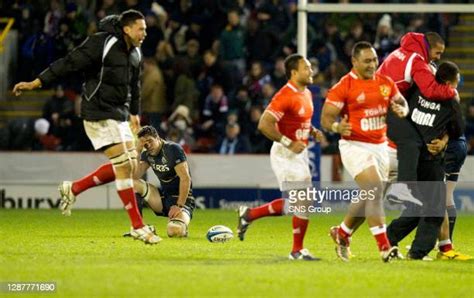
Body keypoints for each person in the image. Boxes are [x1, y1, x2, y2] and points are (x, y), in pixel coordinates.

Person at [12, 10, 160, 244]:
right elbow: (69, 63)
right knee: (123, 166)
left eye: (145, 29)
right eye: (141, 29)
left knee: (131, 166)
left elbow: (135, 86)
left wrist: (134, 114)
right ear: (127, 29)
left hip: (120, 114)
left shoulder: (136, 52)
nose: (145, 33)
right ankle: (137, 226)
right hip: (97, 111)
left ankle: (74, 188)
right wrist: (36, 82)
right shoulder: (101, 43)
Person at [321, 42, 409, 262]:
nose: (373, 65)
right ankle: (384, 247)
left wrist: (402, 109)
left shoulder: (385, 82)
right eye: (367, 61)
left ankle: (342, 233)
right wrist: (335, 128)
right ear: (354, 61)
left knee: (370, 195)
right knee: (374, 188)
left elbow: (401, 102)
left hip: (380, 146)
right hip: (354, 146)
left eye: (375, 60)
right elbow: (326, 118)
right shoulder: (344, 86)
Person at [237, 54, 323, 261]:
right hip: (285, 154)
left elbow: (297, 120)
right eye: (307, 68)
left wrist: (311, 131)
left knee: (297, 203)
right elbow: (264, 124)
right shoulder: (285, 95)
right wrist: (289, 143)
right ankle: (296, 251)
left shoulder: (307, 94)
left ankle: (249, 215)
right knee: (302, 201)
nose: (311, 71)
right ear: (294, 73)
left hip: (298, 154)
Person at [387, 61, 472, 260]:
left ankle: (388, 238)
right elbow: (458, 130)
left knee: (417, 206)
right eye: (457, 82)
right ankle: (417, 252)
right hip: (429, 159)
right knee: (434, 207)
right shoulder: (450, 101)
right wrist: (443, 141)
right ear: (451, 82)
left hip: (408, 156)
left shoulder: (417, 91)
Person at [378, 32, 457, 203]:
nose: (438, 57)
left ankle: (344, 229)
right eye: (437, 53)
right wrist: (452, 92)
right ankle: (402, 188)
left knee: (373, 196)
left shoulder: (401, 52)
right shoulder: (416, 61)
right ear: (428, 47)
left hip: (378, 106)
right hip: (383, 109)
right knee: (411, 139)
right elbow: (431, 89)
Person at [129, 125, 196, 238]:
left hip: (183, 201)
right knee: (132, 184)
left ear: (158, 137)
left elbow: (185, 178)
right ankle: (138, 227)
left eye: (150, 141)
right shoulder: (147, 154)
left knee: (174, 231)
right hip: (162, 199)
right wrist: (138, 150)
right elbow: (134, 176)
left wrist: (179, 206)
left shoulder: (173, 149)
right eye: (145, 144)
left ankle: (181, 226)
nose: (148, 146)